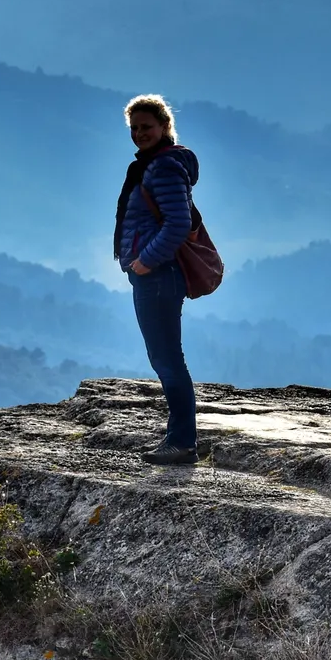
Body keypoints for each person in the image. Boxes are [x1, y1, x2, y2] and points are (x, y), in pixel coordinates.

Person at [112, 94, 200, 465]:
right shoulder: (152, 164)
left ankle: (181, 441)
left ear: (164, 126)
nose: (139, 134)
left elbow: (178, 223)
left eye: (146, 127)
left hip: (159, 275)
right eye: (133, 128)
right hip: (154, 274)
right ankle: (178, 436)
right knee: (163, 356)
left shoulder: (162, 167)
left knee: (167, 358)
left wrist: (145, 262)